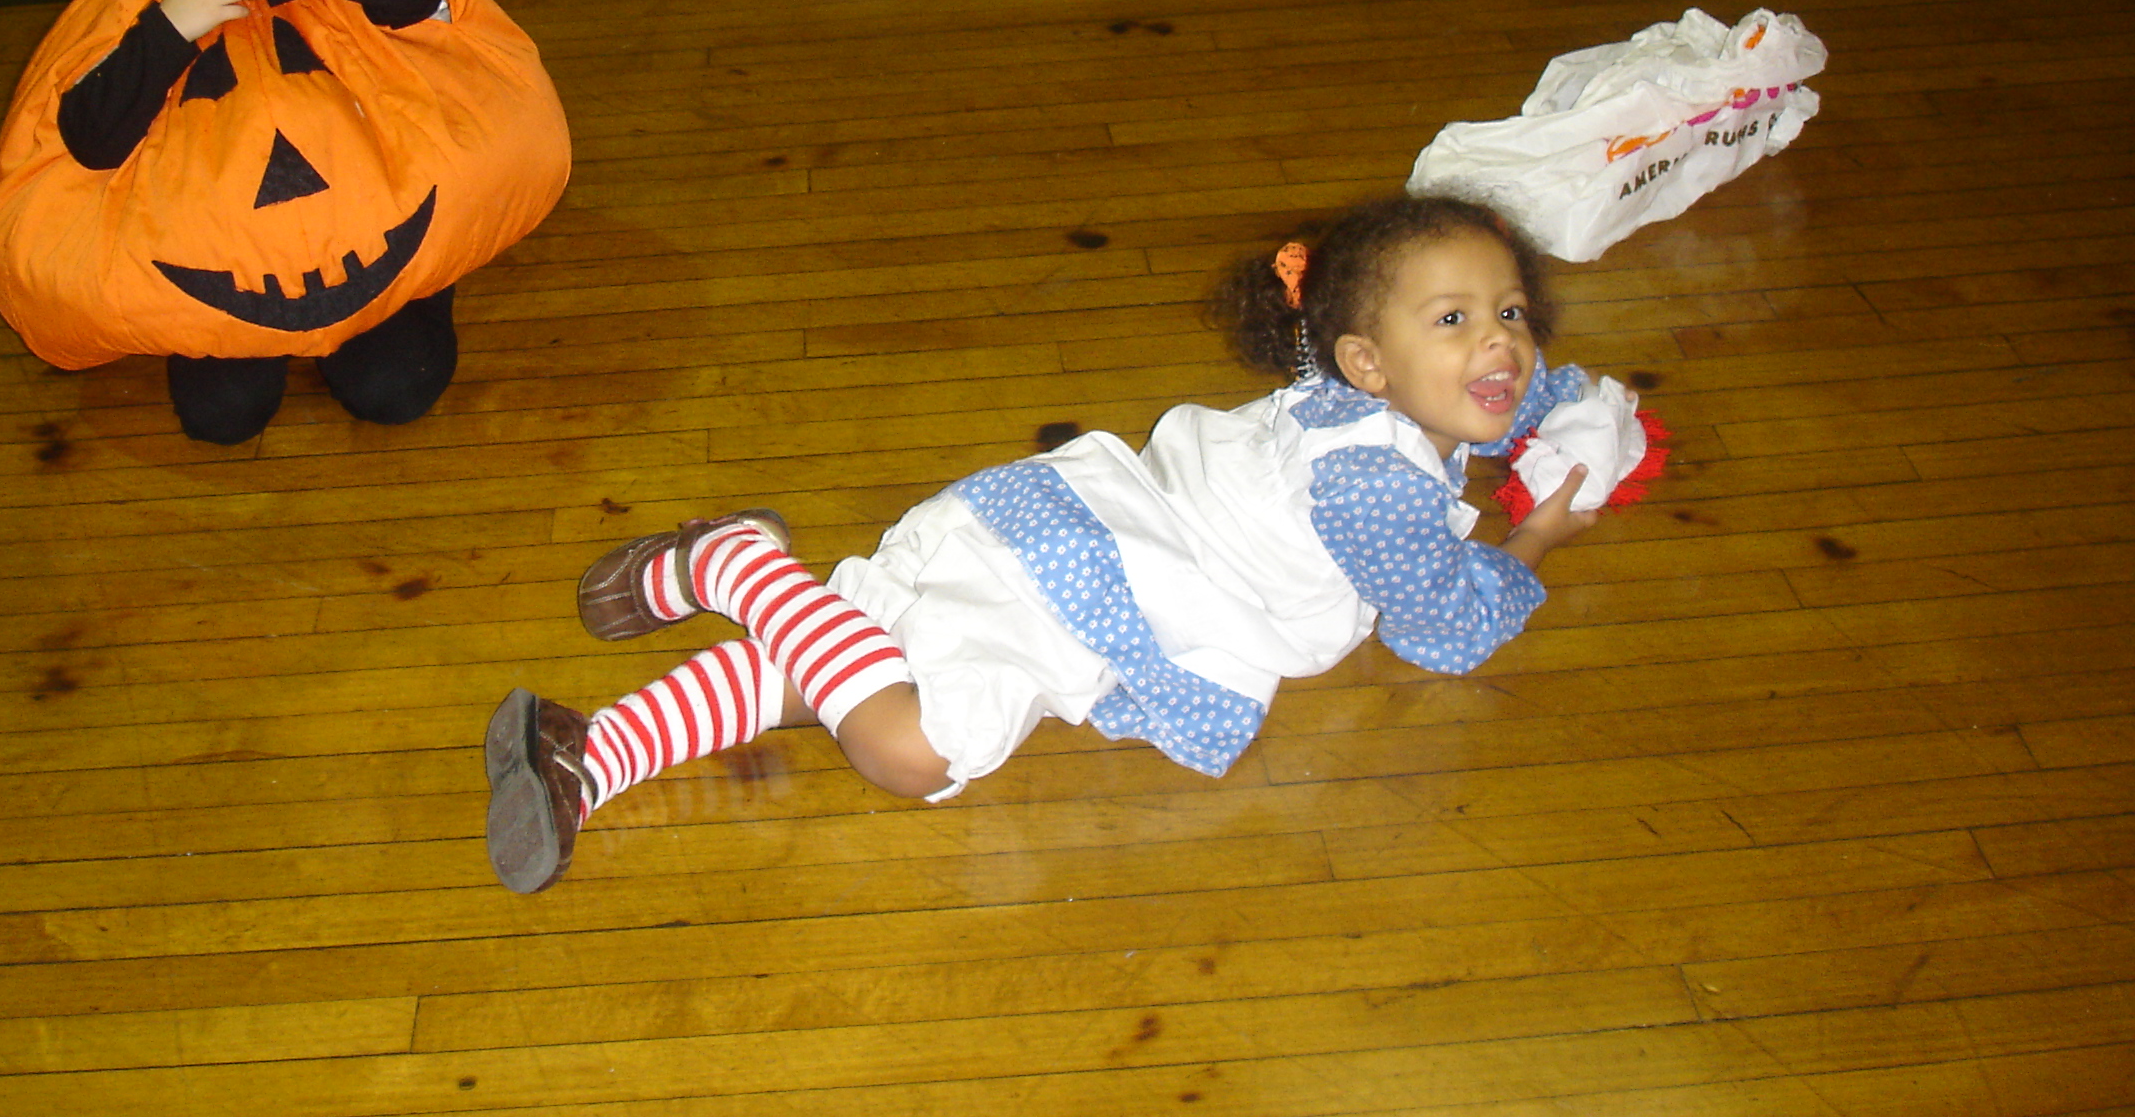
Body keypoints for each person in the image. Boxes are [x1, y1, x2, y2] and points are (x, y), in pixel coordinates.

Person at [485, 192, 1654, 894]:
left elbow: (1514, 393)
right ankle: (737, 563)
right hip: (1095, 586)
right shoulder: (1378, 489)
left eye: (1510, 312)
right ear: (1366, 360)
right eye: (1454, 320)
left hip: (1070, 541)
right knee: (912, 751)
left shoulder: (1351, 399)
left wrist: (1564, 409)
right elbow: (1446, 629)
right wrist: (1537, 535)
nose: (1500, 344)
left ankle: (588, 756)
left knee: (843, 672)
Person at [0, 0, 569, 443]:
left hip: (372, 222)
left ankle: (422, 285)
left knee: (395, 389)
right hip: (224, 257)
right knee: (222, 416)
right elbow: (89, 138)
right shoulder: (128, 14)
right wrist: (170, 31)